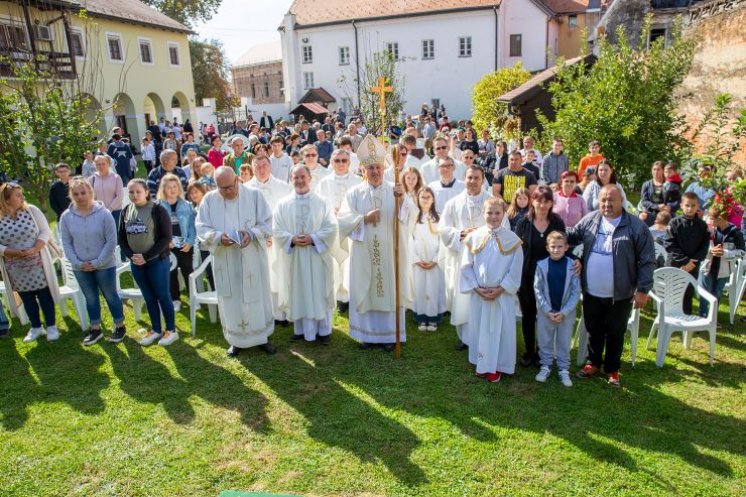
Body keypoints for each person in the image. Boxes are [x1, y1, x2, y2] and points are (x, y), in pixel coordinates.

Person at [569, 184, 656, 388]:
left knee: (616, 332)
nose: (607, 204)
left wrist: (642, 290)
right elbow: (570, 238)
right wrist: (573, 257)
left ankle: (613, 369)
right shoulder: (591, 220)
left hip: (621, 293)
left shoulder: (635, 226)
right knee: (593, 329)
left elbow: (647, 260)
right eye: (603, 200)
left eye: (611, 200)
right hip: (591, 290)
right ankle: (593, 363)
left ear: (621, 201)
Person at [337, 135, 412, 351]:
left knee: (387, 286)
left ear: (384, 168)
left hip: (389, 250)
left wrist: (403, 200)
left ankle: (389, 335)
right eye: (370, 168)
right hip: (364, 252)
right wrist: (364, 219)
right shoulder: (354, 193)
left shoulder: (394, 189)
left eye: (378, 167)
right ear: (362, 170)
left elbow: (408, 218)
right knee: (366, 287)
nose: (375, 172)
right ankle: (368, 335)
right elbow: (343, 220)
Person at [196, 167, 276, 357]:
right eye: (222, 189)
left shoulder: (255, 196)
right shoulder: (209, 200)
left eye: (231, 186)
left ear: (238, 180)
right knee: (231, 299)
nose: (228, 192)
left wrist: (250, 234)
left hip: (252, 259)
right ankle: (236, 340)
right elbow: (201, 227)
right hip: (226, 259)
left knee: (256, 296)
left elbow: (267, 223)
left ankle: (262, 337)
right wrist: (217, 238)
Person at [440, 166, 506, 350]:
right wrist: (460, 233)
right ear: (464, 178)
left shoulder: (493, 202)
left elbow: (505, 228)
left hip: (487, 261)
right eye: (470, 177)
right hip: (462, 258)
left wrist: (482, 233)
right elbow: (443, 229)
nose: (473, 181)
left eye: (477, 178)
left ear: (483, 179)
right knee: (464, 298)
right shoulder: (454, 203)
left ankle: (485, 336)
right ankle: (465, 338)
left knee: (484, 297)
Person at [460, 197, 523, 383]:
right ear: (483, 213)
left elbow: (515, 268)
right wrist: (476, 287)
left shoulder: (513, 241)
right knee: (481, 328)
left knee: (499, 330)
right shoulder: (474, 237)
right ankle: (482, 363)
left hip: (501, 296)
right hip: (480, 294)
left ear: (503, 214)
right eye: (489, 213)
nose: (493, 217)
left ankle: (498, 365)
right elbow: (466, 265)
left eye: (497, 213)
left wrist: (501, 289)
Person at [273, 165, 338, 342]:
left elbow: (332, 227)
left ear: (310, 178)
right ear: (291, 179)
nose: (300, 181)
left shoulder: (322, 201)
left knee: (319, 289)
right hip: (295, 257)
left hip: (316, 256)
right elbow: (276, 229)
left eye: (302, 177)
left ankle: (323, 331)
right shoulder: (282, 204)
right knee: (298, 289)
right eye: (296, 178)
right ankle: (301, 329)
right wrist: (291, 239)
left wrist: (314, 238)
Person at [59, 177, 125, 345]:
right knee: (91, 298)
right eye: (76, 194)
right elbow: (66, 242)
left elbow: (111, 241)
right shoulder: (66, 217)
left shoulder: (104, 214)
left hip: (104, 265)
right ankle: (95, 329)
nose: (80, 196)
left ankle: (119, 326)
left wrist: (97, 262)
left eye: (83, 193)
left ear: (91, 192)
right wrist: (77, 263)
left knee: (110, 295)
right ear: (71, 195)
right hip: (80, 267)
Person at [119, 179, 178, 346]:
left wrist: (146, 256)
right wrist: (132, 256)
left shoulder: (158, 210)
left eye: (138, 191)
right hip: (137, 263)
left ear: (146, 192)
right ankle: (156, 329)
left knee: (162, 295)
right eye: (131, 192)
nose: (134, 195)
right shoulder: (126, 211)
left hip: (157, 261)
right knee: (148, 297)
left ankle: (171, 330)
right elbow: (122, 239)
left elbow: (166, 238)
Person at [0, 182, 61, 343]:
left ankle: (51, 326)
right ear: (7, 199)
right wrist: (13, 252)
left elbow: (45, 231)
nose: (22, 197)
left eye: (22, 194)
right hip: (15, 268)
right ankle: (35, 327)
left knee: (44, 295)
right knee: (27, 298)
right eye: (18, 195)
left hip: (37, 263)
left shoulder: (31, 210)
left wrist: (35, 249)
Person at [515, 186, 567, 367]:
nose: (542, 205)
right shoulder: (524, 223)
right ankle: (529, 351)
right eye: (538, 200)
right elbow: (516, 252)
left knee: (546, 315)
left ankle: (542, 352)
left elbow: (563, 247)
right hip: (527, 277)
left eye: (546, 201)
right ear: (532, 201)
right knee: (528, 315)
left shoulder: (557, 223)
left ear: (552, 203)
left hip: (550, 278)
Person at [315, 149, 362, 312]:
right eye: (337, 161)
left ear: (349, 163)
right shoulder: (324, 182)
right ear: (332, 163)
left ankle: (351, 295)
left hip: (352, 230)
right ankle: (338, 296)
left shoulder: (359, 181)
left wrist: (347, 213)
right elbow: (318, 206)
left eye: (344, 160)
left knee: (351, 263)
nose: (341, 164)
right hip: (332, 228)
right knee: (335, 263)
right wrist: (330, 211)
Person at [533, 231, 581, 387]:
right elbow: (538, 289)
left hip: (565, 314)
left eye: (560, 246)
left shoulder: (572, 266)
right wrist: (547, 310)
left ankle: (563, 369)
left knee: (564, 341)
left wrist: (565, 311)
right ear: (547, 247)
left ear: (566, 247)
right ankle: (545, 365)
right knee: (544, 339)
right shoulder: (541, 265)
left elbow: (575, 291)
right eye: (553, 246)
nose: (556, 250)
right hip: (546, 312)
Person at [662, 192, 710, 315]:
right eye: (687, 205)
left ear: (697, 206)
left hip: (693, 266)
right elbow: (669, 244)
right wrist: (684, 261)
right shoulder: (674, 223)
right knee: (673, 290)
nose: (690, 208)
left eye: (693, 206)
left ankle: (686, 315)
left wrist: (692, 262)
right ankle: (668, 316)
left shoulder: (702, 226)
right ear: (681, 205)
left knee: (688, 291)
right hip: (675, 264)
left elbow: (704, 247)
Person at [155, 173, 196, 313]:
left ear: (179, 188)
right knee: (170, 273)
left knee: (188, 271)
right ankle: (175, 299)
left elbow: (192, 226)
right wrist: (166, 241)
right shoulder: (158, 207)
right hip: (168, 246)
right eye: (168, 187)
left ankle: (193, 297)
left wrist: (190, 242)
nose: (172, 190)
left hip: (184, 245)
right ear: (163, 189)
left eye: (175, 187)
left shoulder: (187, 205)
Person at [409, 187, 446, 331]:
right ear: (418, 199)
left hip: (434, 259)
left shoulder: (439, 217)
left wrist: (436, 259)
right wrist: (416, 258)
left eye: (428, 197)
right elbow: (409, 239)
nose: (425, 200)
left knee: (433, 288)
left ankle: (433, 318)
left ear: (433, 199)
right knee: (420, 288)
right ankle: (421, 317)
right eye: (422, 197)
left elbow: (443, 239)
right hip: (419, 259)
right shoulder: (414, 217)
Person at [699, 206, 745, 317]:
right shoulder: (708, 228)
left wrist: (725, 253)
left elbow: (742, 252)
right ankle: (703, 316)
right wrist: (711, 250)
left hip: (724, 271)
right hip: (707, 266)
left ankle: (712, 317)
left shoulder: (735, 233)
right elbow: (699, 245)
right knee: (705, 292)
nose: (709, 220)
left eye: (711, 218)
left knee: (717, 293)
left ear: (720, 218)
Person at [89, 154, 124, 227]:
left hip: (115, 212)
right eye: (98, 164)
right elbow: (90, 197)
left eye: (103, 164)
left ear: (108, 164)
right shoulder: (91, 179)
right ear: (95, 165)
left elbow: (119, 196)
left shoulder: (116, 178)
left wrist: (110, 209)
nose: (101, 166)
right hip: (98, 212)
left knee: (115, 235)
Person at [639, 161, 669, 226]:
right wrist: (657, 207)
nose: (656, 172)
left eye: (658, 169)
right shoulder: (646, 185)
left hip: (665, 213)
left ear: (663, 171)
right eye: (654, 169)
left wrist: (666, 207)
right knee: (643, 217)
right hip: (650, 212)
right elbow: (644, 201)